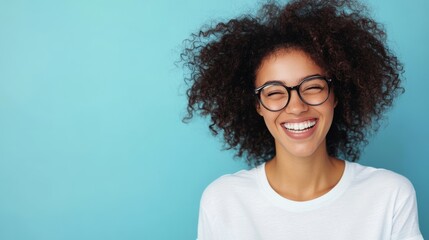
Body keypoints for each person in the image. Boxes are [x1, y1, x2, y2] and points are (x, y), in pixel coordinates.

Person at [181, 0, 423, 239]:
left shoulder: (390, 196)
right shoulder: (223, 201)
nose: (296, 107)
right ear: (257, 106)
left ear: (335, 95)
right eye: (274, 92)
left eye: (313, 87)